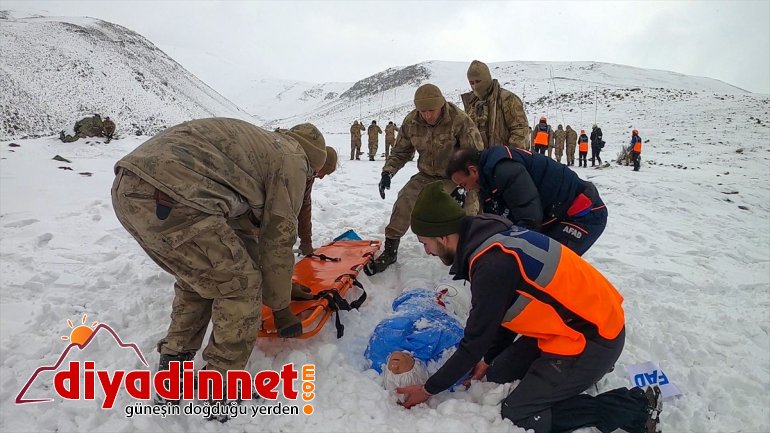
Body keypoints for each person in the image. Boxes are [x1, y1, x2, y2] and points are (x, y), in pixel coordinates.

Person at [396, 182, 663, 433]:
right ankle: (577, 375)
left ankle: (635, 407)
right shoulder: (490, 237)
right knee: (497, 373)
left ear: (443, 236)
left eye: (424, 242)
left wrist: (429, 389)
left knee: (519, 413)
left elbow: (473, 342)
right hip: (570, 326)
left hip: (595, 337)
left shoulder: (491, 265)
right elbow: (501, 312)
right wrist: (488, 359)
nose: (426, 251)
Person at [111, 118, 333, 404]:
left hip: (130, 188)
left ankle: (173, 370)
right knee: (241, 286)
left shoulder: (263, 149)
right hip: (173, 196)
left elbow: (245, 236)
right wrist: (280, 307)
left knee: (201, 281)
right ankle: (223, 385)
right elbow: (277, 239)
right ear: (313, 163)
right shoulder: (292, 159)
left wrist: (281, 286)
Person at [365, 83, 484, 275]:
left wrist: (464, 186)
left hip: (455, 176)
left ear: (441, 106)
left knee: (469, 211)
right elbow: (400, 151)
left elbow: (475, 155)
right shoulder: (412, 122)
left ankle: (468, 255)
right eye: (422, 111)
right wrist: (387, 172)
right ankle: (390, 250)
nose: (427, 115)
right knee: (404, 201)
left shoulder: (459, 120)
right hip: (426, 175)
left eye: (431, 110)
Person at [446, 146, 607, 255]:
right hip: (555, 216)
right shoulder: (486, 181)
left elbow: (529, 218)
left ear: (473, 171)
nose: (466, 189)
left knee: (549, 264)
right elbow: (497, 224)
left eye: (463, 184)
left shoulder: (504, 169)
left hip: (584, 214)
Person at [365, 288, 464, 400]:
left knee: (416, 275)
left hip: (413, 295)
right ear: (417, 373)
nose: (394, 367)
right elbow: (463, 356)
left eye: (391, 376)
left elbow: (389, 324)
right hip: (451, 302)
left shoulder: (380, 350)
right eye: (402, 378)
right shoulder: (443, 354)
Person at [460, 60, 529, 149]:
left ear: (487, 79)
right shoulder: (470, 104)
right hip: (478, 159)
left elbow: (520, 131)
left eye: (478, 81)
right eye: (471, 83)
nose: (475, 86)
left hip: (503, 158)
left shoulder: (507, 99)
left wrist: (510, 155)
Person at [297, 147, 338, 256]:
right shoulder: (296, 169)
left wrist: (306, 241)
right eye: (323, 172)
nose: (321, 177)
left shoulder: (310, 175)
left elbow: (304, 205)